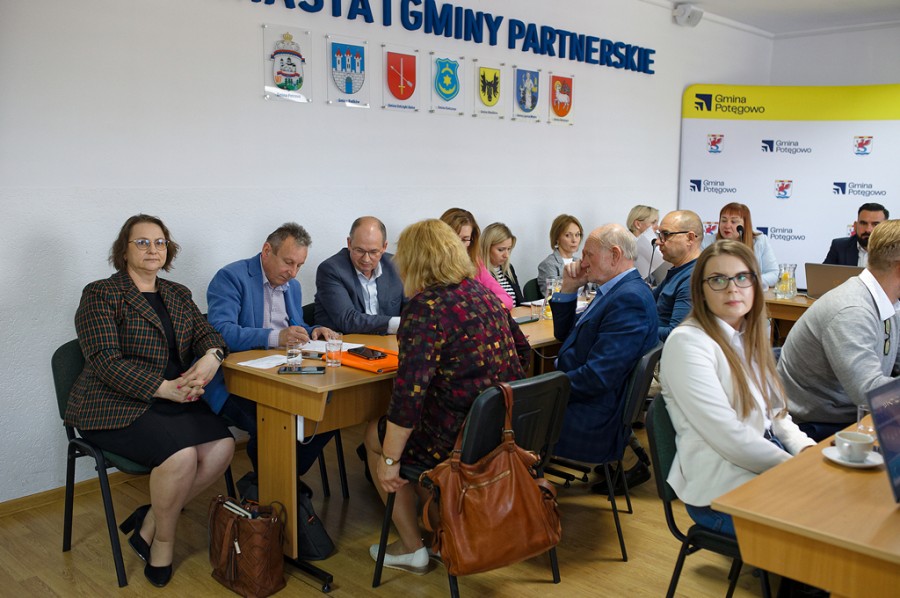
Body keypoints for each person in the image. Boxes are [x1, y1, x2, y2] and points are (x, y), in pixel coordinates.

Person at [66, 214, 235, 587]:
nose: (152, 249)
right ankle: (161, 543)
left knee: (223, 447)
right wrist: (164, 388)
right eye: (141, 242)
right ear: (124, 251)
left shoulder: (178, 293)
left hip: (173, 398)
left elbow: (209, 334)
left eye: (160, 242)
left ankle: (150, 519)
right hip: (114, 402)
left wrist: (211, 358)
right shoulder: (100, 294)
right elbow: (105, 362)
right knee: (182, 456)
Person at [364, 219, 531, 573]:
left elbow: (408, 397)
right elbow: (522, 350)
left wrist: (390, 461)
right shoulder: (483, 293)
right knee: (419, 428)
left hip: (457, 440)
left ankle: (413, 547)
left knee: (375, 438)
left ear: (413, 262)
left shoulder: (425, 308)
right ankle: (444, 533)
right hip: (499, 429)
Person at [660, 240, 814, 536]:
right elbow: (729, 437)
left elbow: (777, 416)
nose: (733, 289)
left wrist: (806, 450)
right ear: (700, 291)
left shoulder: (747, 334)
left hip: (764, 462)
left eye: (742, 277)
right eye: (718, 280)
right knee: (833, 527)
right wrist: (797, 470)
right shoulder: (687, 343)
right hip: (721, 488)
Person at [206, 223, 335, 475]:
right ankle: (274, 486)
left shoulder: (293, 286)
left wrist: (314, 330)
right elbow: (220, 331)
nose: (293, 273)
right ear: (267, 251)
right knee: (274, 424)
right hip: (234, 380)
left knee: (328, 415)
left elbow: (295, 327)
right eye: (288, 262)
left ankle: (277, 483)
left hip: (283, 374)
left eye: (299, 266)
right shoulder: (231, 277)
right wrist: (276, 337)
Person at [549, 224, 658, 484]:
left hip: (593, 413)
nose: (582, 263)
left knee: (502, 415)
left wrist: (549, 389)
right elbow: (565, 335)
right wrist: (568, 288)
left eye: (588, 255)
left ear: (615, 255)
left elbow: (598, 377)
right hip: (591, 399)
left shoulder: (628, 299)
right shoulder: (618, 289)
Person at [779, 219, 900, 442]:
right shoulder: (851, 310)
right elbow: (871, 394)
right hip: (816, 429)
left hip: (851, 417)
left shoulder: (888, 302)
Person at [314, 216, 407, 334]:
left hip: (387, 342)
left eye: (373, 252)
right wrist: (400, 324)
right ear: (349, 243)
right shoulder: (331, 270)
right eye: (360, 250)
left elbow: (410, 308)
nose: (366, 259)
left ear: (384, 247)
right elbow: (348, 320)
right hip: (345, 342)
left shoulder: (396, 265)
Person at [439, 207, 513, 309]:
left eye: (464, 240)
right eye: (454, 239)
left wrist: (476, 302)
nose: (458, 245)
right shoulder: (429, 266)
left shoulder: (476, 263)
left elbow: (507, 300)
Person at [702, 202, 778, 288]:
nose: (727, 226)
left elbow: (773, 274)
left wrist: (749, 281)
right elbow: (699, 274)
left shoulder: (760, 241)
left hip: (750, 293)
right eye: (724, 220)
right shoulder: (707, 242)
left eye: (733, 221)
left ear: (745, 224)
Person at [655, 210, 704, 341]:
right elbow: (649, 300)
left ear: (690, 238)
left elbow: (676, 334)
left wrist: (637, 327)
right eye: (659, 235)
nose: (658, 241)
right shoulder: (679, 269)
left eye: (666, 235)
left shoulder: (693, 278)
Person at [823, 202, 889, 266]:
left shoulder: (893, 250)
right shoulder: (840, 247)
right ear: (855, 226)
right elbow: (824, 272)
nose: (868, 230)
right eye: (863, 223)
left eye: (875, 224)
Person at [537, 214, 583, 296]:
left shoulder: (580, 262)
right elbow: (553, 296)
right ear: (557, 238)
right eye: (568, 235)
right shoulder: (548, 264)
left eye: (577, 235)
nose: (574, 240)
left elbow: (593, 288)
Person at [481, 222, 524, 306]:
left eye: (509, 249)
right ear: (487, 247)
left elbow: (520, 301)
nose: (506, 255)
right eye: (501, 250)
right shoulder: (480, 272)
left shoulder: (509, 268)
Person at [626, 205, 663, 283]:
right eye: (653, 223)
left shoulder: (654, 241)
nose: (657, 227)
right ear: (638, 224)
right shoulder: (623, 245)